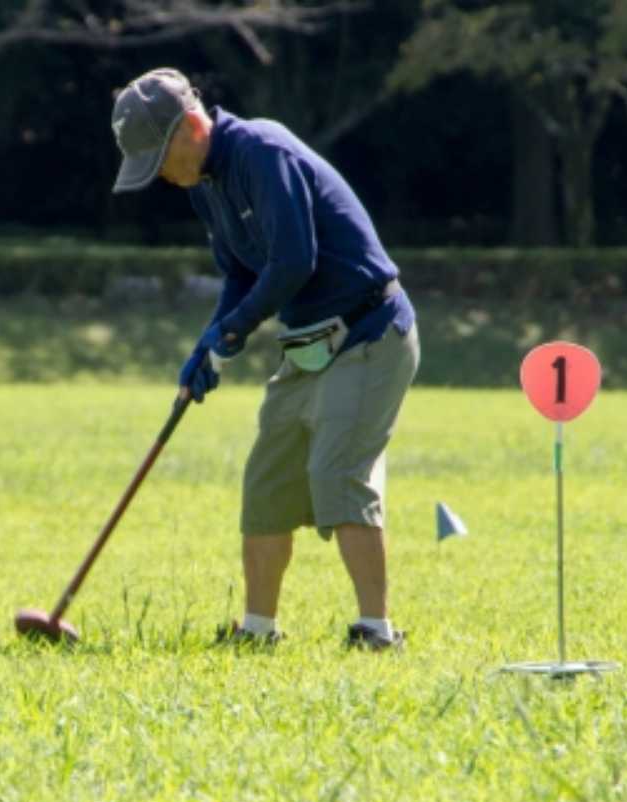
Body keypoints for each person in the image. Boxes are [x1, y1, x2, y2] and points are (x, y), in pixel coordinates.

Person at [110, 68, 419, 651]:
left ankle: (376, 631)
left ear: (189, 127)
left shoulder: (261, 152)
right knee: (267, 482)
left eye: (160, 160)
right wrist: (211, 341)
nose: (163, 179)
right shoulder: (207, 183)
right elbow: (241, 272)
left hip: (369, 331)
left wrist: (236, 328)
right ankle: (258, 631)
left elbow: (293, 261)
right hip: (309, 343)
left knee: (338, 474)